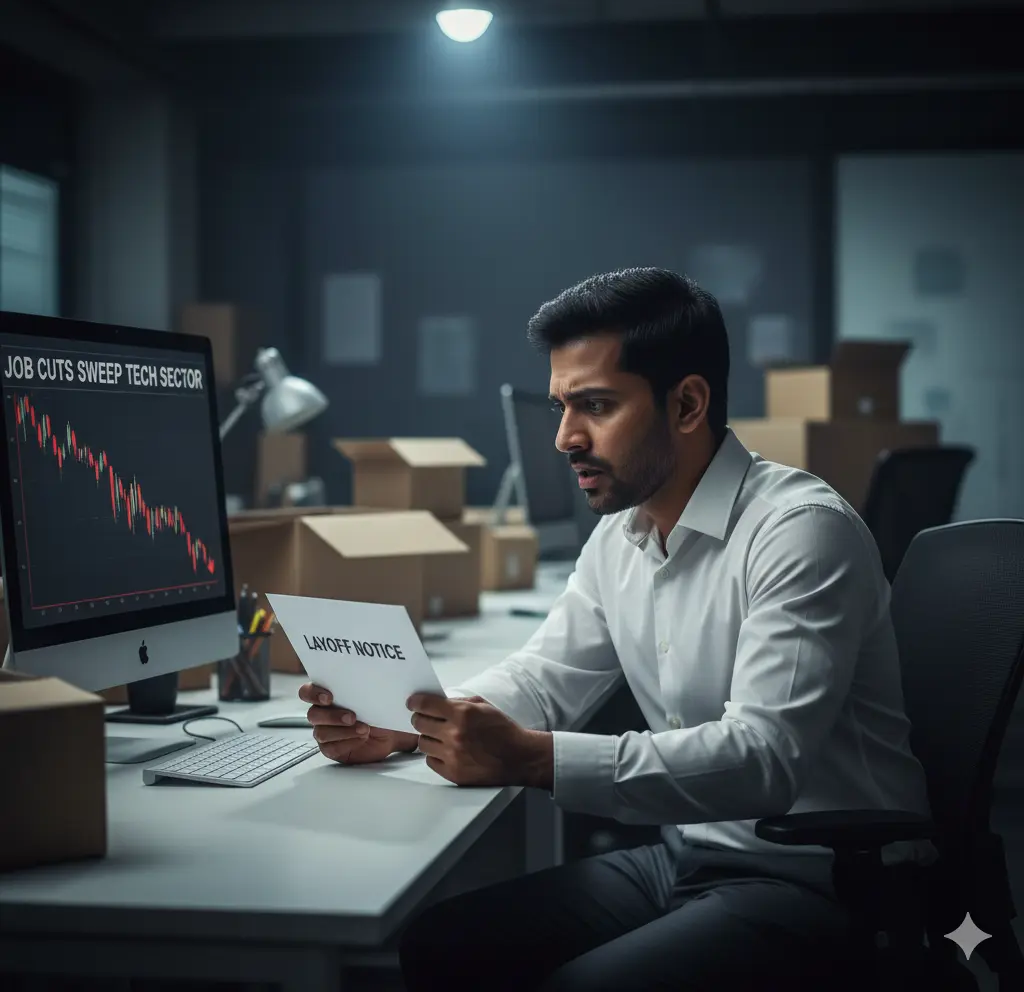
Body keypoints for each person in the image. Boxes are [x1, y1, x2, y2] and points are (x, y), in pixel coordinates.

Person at [299, 268, 933, 991]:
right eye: (562, 407)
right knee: (442, 946)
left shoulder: (798, 531)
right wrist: (411, 721)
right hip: (691, 858)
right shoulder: (622, 534)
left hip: (828, 877)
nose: (565, 437)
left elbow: (764, 760)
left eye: (595, 406)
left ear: (687, 404)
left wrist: (536, 758)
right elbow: (546, 676)